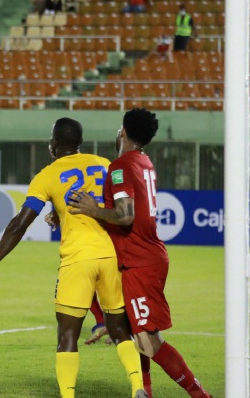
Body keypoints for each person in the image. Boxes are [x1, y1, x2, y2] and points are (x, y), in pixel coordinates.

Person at [0, 117, 146, 398]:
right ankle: (137, 386)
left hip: (78, 260)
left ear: (53, 146)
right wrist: (60, 211)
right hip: (110, 257)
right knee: (119, 329)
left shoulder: (47, 176)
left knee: (67, 335)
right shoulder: (104, 164)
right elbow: (115, 206)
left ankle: (68, 395)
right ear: (80, 143)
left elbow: (20, 224)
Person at [68, 109, 212, 398]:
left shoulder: (121, 166)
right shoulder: (144, 162)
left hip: (139, 262)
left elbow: (125, 215)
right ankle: (143, 392)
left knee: (148, 341)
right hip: (141, 258)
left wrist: (92, 209)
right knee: (136, 332)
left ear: (122, 131)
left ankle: (200, 395)